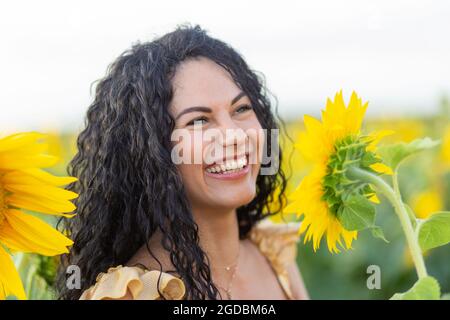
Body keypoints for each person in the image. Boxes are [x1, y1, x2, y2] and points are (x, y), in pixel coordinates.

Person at [56, 24, 309, 300]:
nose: (234, 136)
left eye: (241, 108)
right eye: (199, 121)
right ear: (151, 150)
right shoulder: (134, 294)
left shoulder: (272, 253)